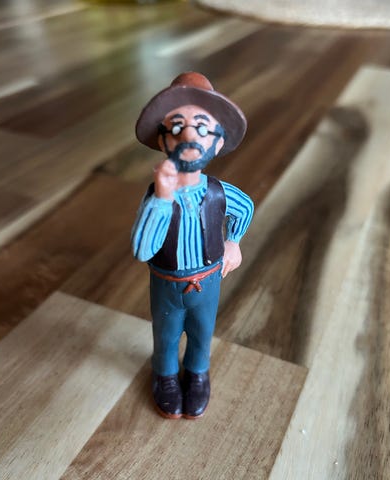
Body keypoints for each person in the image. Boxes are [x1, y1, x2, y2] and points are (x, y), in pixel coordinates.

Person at [132, 72, 254, 419]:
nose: (188, 136)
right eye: (176, 127)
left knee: (202, 332)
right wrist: (162, 198)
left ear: (217, 142)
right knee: (166, 334)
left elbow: (245, 207)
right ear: (162, 140)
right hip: (167, 284)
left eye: (201, 128)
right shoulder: (157, 198)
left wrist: (233, 242)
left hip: (208, 279)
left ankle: (198, 372)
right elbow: (143, 249)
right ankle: (165, 375)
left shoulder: (219, 192)